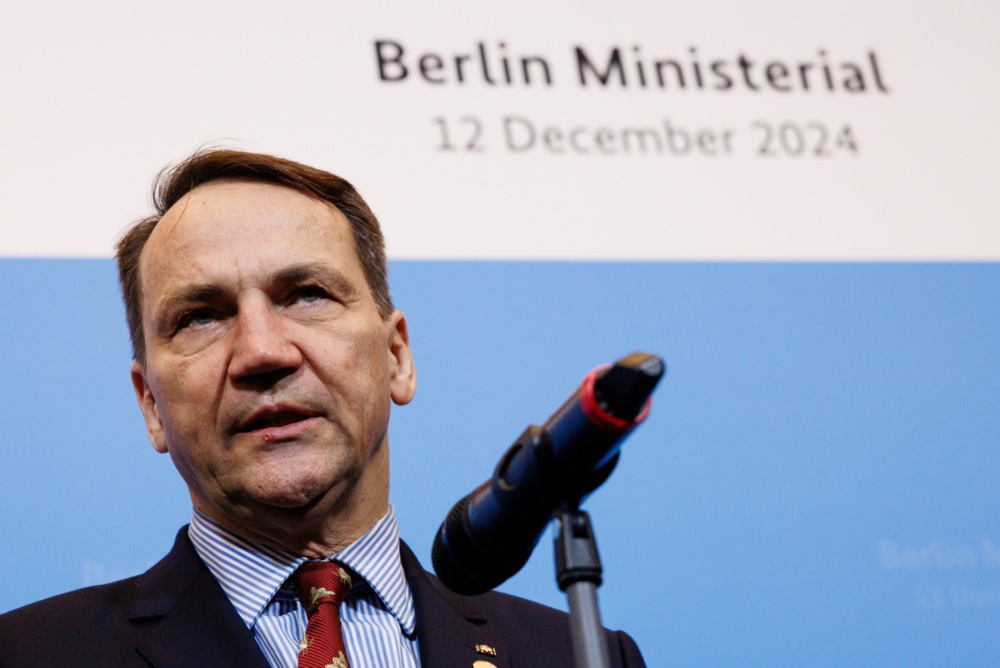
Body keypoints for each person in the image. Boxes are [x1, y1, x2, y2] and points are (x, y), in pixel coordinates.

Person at [0, 149, 645, 667]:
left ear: (396, 356)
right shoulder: (29, 654)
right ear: (150, 404)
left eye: (306, 295)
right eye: (200, 316)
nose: (262, 352)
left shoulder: (579, 656)